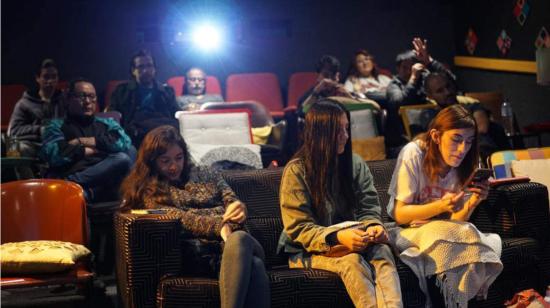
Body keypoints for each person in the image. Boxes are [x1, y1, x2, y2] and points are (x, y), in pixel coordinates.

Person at [120, 125, 270, 308]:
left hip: (238, 243)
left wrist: (238, 207)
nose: (174, 166)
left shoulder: (205, 172)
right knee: (254, 264)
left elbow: (230, 198)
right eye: (165, 161)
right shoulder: (148, 190)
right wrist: (220, 225)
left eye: (179, 158)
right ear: (152, 161)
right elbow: (180, 218)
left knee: (239, 240)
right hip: (201, 254)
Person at [278, 99, 402, 308]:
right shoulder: (297, 171)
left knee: (382, 250)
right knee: (352, 261)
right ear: (319, 135)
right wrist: (336, 237)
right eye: (338, 131)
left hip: (353, 240)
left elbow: (368, 206)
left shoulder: (354, 163)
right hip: (307, 251)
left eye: (346, 128)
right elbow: (298, 229)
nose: (345, 136)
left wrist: (373, 226)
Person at [387, 104, 503, 307]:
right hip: (407, 229)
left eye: (468, 142)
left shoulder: (467, 162)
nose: (462, 149)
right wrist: (441, 205)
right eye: (456, 140)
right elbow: (399, 214)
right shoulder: (414, 153)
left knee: (469, 237)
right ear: (436, 136)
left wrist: (474, 201)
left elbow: (455, 221)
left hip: (445, 229)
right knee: (452, 239)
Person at [40, 78, 135, 203]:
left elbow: (123, 142)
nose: (87, 101)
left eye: (92, 96)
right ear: (68, 99)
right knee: (121, 158)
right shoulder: (56, 126)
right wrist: (89, 150)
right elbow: (55, 154)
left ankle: (74, 184)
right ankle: (74, 185)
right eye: (81, 96)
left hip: (106, 181)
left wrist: (82, 141)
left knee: (126, 155)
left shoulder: (107, 123)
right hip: (80, 178)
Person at [385, 38, 456, 155]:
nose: (408, 70)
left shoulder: (423, 78)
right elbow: (398, 103)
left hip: (428, 126)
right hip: (403, 139)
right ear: (397, 69)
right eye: (404, 67)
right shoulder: (394, 85)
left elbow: (450, 80)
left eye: (411, 66)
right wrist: (412, 78)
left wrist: (429, 62)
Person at [107, 49, 179, 147]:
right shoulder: (122, 91)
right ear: (133, 71)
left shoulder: (166, 91)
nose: (146, 71)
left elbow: (176, 114)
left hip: (163, 133)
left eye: (149, 66)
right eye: (141, 67)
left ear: (154, 69)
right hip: (135, 134)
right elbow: (112, 115)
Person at [7, 59, 64, 157]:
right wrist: (40, 130)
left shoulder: (65, 101)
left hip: (60, 144)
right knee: (18, 149)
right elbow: (14, 131)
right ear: (38, 78)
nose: (50, 81)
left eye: (54, 77)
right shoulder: (24, 104)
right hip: (35, 146)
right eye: (46, 77)